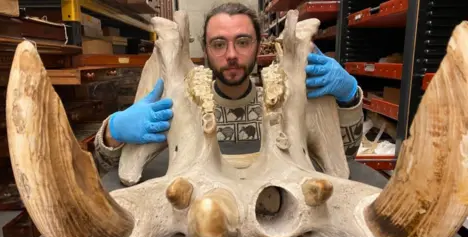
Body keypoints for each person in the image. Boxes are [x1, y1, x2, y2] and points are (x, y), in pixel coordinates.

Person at [93, 2, 364, 176]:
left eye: (243, 42)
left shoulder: (285, 104)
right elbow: (111, 169)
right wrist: (112, 131)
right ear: (206, 50)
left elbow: (346, 157)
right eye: (219, 44)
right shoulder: (180, 108)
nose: (231, 54)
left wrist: (349, 98)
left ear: (259, 45)